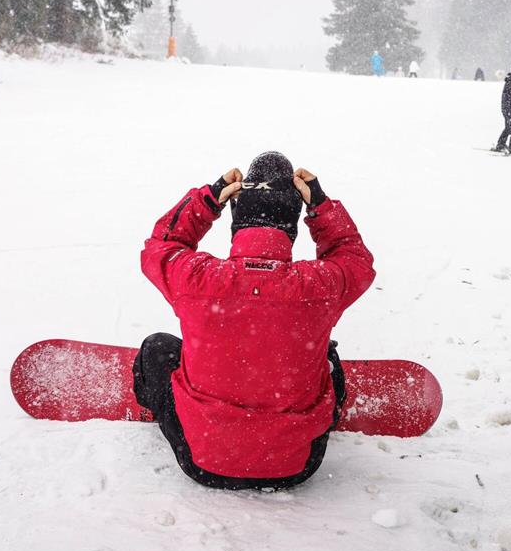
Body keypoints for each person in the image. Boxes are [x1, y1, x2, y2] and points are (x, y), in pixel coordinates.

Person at [136, 152, 375, 490]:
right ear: (291, 226)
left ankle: (176, 404)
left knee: (157, 348)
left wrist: (208, 199)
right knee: (326, 355)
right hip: (296, 465)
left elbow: (161, 246)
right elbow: (355, 258)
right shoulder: (319, 285)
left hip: (201, 459)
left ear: (238, 219)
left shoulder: (197, 278)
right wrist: (321, 206)